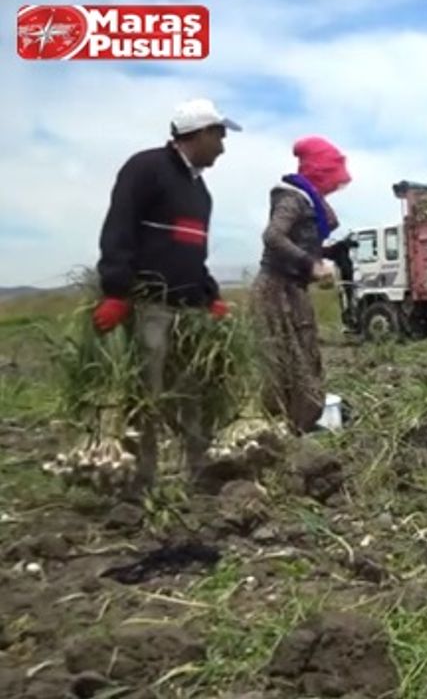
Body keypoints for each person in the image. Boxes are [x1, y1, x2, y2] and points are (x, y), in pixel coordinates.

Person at [93, 98, 242, 497]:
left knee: (192, 392)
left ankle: (199, 471)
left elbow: (192, 254)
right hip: (150, 307)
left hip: (188, 311)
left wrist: (210, 295)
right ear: (201, 133)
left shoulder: (200, 192)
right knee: (146, 394)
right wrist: (116, 291)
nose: (223, 148)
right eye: (220, 136)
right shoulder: (146, 169)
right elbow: (119, 229)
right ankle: (137, 484)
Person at [251, 136, 351, 434]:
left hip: (294, 290)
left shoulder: (308, 200)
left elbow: (300, 241)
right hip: (275, 291)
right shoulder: (291, 199)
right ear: (321, 171)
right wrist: (311, 265)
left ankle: (300, 426)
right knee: (283, 361)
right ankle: (280, 429)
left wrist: (331, 252)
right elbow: (273, 236)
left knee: (306, 358)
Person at [321, 233, 359, 330]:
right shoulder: (344, 248)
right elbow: (355, 244)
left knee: (345, 300)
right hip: (348, 276)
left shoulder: (336, 249)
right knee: (350, 299)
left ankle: (348, 322)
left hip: (344, 277)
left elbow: (325, 252)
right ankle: (351, 321)